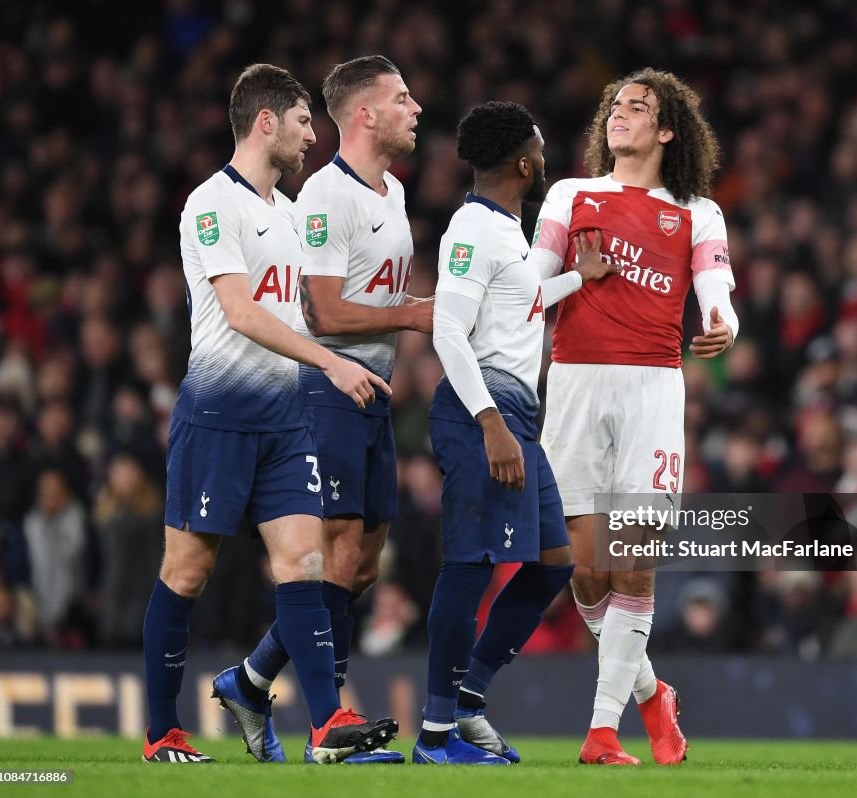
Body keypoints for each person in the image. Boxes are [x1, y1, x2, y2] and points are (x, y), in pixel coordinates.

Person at [142, 63, 395, 765]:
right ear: (265, 122)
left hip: (285, 422)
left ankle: (325, 728)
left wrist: (353, 347)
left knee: (306, 564)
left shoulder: (289, 215)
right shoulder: (211, 205)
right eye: (304, 121)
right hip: (218, 417)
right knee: (187, 571)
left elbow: (297, 314)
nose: (313, 135)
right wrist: (332, 364)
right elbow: (241, 311)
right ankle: (162, 731)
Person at [213, 55, 428, 765]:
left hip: (371, 394)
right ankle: (328, 726)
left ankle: (250, 680)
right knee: (332, 550)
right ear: (364, 114)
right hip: (323, 391)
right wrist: (417, 314)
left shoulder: (393, 192)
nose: (415, 108)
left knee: (362, 563)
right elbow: (325, 311)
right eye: (401, 99)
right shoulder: (326, 198)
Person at [528, 68, 738, 765]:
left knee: (632, 566)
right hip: (576, 383)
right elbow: (530, 286)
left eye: (639, 107)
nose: (621, 114)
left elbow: (715, 283)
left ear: (667, 128)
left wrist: (721, 321)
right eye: (616, 105)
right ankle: (653, 694)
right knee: (587, 574)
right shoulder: (569, 195)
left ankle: (602, 730)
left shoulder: (696, 210)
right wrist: (573, 278)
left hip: (652, 387)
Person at [415, 101, 616, 765]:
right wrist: (490, 423)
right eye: (539, 144)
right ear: (525, 163)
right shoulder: (472, 229)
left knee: (553, 564)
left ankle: (469, 702)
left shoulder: (505, 230)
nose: (544, 154)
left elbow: (518, 301)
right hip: (485, 414)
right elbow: (450, 328)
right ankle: (436, 735)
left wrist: (573, 281)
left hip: (515, 413)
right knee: (471, 567)